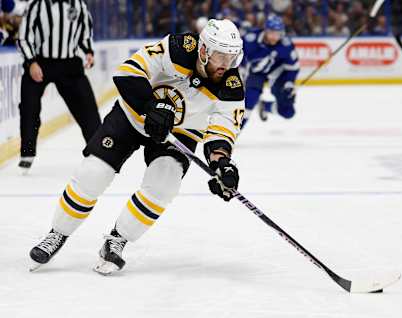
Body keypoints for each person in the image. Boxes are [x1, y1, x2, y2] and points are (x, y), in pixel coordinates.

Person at [28, 19, 245, 276]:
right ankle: (57, 234)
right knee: (93, 174)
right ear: (203, 50)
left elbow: (222, 129)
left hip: (180, 132)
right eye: (221, 56)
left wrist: (222, 164)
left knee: (164, 185)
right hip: (132, 116)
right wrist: (151, 105)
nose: (225, 65)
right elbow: (128, 71)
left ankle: (117, 240)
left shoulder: (231, 86)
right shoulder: (177, 47)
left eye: (231, 58)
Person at [16, 0, 101, 173]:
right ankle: (27, 153)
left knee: (87, 109)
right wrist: (31, 62)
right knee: (28, 106)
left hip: (69, 64)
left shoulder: (78, 5)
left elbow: (85, 32)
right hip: (41, 62)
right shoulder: (36, 5)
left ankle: (99, 153)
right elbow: (24, 36)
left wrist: (89, 52)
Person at [241, 14, 299, 128]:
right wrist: (241, 71)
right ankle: (233, 134)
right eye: (271, 32)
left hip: (277, 74)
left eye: (278, 33)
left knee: (288, 112)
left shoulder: (286, 45)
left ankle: (265, 106)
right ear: (265, 30)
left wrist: (289, 83)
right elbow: (238, 54)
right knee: (250, 100)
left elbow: (293, 68)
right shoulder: (250, 39)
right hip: (256, 73)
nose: (274, 36)